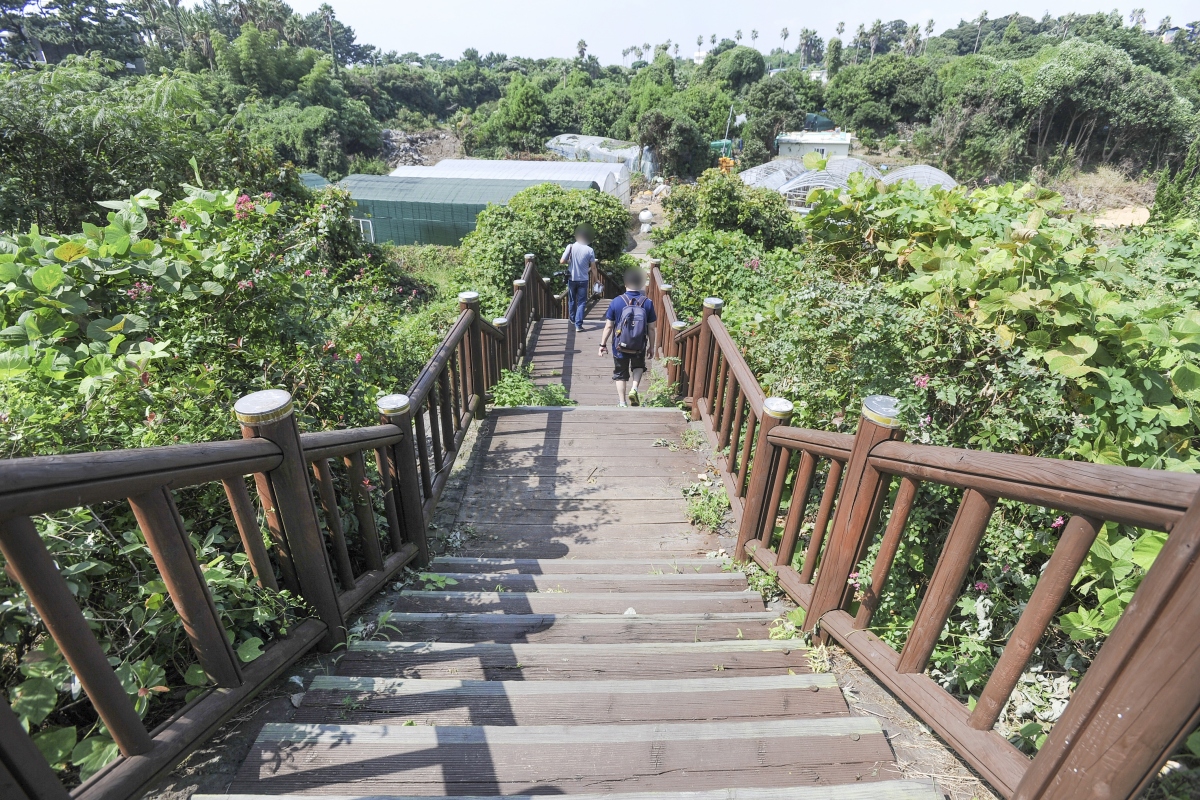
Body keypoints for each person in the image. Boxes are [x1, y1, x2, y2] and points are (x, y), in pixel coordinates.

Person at [598, 268, 656, 407]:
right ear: (640, 284)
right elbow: (651, 328)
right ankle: (634, 388)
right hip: (639, 344)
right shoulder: (647, 303)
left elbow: (609, 326)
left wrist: (602, 344)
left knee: (620, 373)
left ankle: (622, 402)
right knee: (638, 366)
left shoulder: (616, 301)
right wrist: (651, 347)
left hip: (620, 345)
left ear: (625, 284)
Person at [560, 227, 596, 332]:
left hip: (572, 279)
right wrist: (596, 279)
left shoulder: (570, 247)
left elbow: (562, 261)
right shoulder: (590, 250)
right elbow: (593, 267)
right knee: (581, 302)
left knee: (572, 300)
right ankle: (578, 325)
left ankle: (572, 319)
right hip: (583, 280)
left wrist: (569, 261)